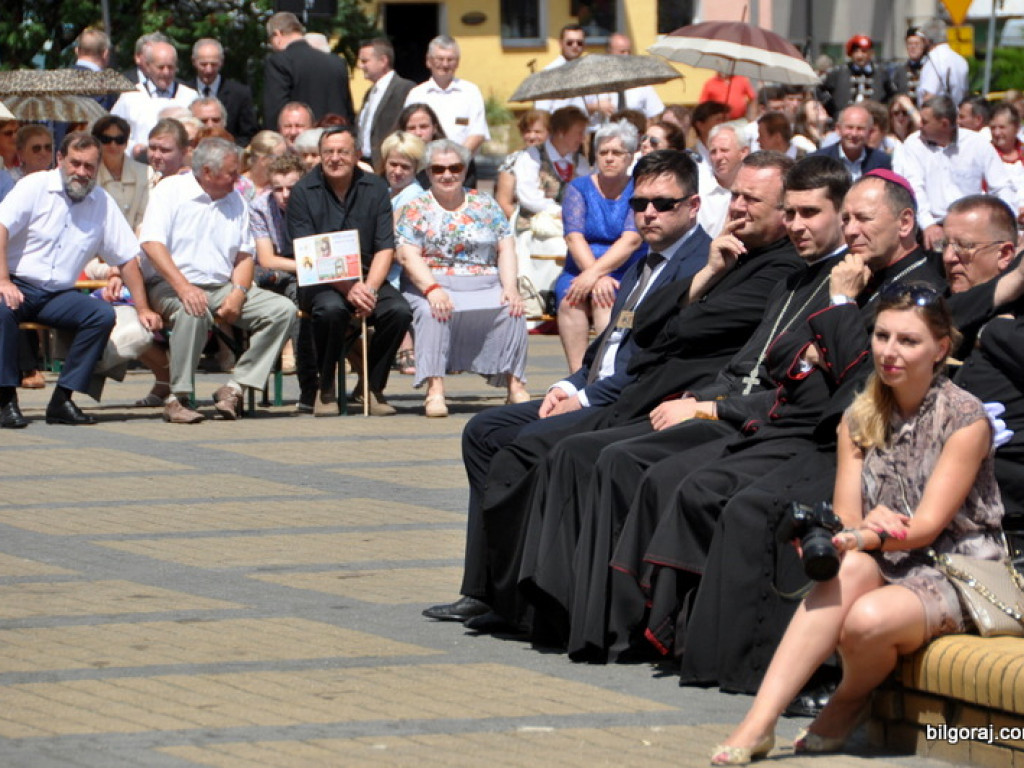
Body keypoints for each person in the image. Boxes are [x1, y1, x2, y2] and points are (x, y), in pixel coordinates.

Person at [711, 286, 1003, 765]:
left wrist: (861, 534)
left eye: (908, 341)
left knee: (863, 623)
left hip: (956, 563)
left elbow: (928, 527)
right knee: (843, 574)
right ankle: (758, 722)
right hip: (885, 553)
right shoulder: (858, 415)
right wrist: (856, 529)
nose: (890, 352)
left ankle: (847, 702)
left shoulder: (965, 419)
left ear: (941, 349)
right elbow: (848, 510)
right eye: (882, 336)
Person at [422, 149, 715, 625]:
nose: (649, 214)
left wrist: (584, 397)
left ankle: (519, 596)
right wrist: (567, 382)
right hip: (595, 386)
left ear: (694, 206)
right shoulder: (647, 258)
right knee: (483, 432)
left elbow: (655, 361)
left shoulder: (700, 266)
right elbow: (611, 341)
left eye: (663, 204)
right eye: (640, 204)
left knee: (524, 445)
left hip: (631, 402)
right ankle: (484, 584)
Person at [0, 132, 161, 429]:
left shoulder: (101, 201)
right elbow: (1, 227)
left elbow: (126, 258)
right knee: (1, 310)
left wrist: (143, 308)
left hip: (58, 294)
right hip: (16, 283)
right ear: (60, 159)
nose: (82, 172)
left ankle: (63, 399)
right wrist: (3, 281)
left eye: (89, 166)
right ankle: (4, 399)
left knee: (99, 314)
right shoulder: (33, 186)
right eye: (75, 163)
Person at [140, 138, 295, 424]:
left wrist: (238, 292)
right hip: (171, 285)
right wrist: (184, 287)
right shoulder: (171, 191)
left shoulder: (236, 200)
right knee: (193, 309)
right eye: (231, 172)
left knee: (281, 310)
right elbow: (152, 244)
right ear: (207, 172)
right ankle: (178, 397)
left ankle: (234, 388)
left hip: (223, 285)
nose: (238, 179)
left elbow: (245, 256)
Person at [285, 125, 412, 416]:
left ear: (355, 155)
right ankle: (325, 389)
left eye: (342, 152)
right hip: (321, 279)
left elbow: (384, 247)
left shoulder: (376, 187)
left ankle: (372, 387)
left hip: (369, 276)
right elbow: (308, 251)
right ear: (319, 156)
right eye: (328, 152)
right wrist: (349, 287)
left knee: (399, 311)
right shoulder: (303, 192)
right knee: (331, 311)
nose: (335, 158)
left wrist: (368, 288)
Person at [396, 139, 528, 417]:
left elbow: (505, 246)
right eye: (438, 169)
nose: (447, 175)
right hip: (433, 282)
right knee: (433, 311)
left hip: (484, 281)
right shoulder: (416, 207)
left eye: (455, 168)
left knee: (512, 308)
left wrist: (510, 287)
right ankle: (435, 391)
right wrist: (432, 289)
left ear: (465, 169)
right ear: (428, 172)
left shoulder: (484, 203)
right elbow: (408, 255)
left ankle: (515, 386)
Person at [556, 120, 644, 371]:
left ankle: (604, 372)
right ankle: (577, 374)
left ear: (629, 157)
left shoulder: (638, 189)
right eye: (603, 152)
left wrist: (595, 275)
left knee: (604, 300)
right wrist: (592, 276)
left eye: (617, 153)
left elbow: (632, 239)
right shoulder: (578, 187)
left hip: (624, 270)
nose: (609, 158)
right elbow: (574, 236)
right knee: (570, 302)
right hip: (579, 270)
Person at [898, 96, 1019, 251]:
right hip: (932, 228)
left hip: (974, 227)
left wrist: (1008, 223)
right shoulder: (914, 144)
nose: (919, 125)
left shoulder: (977, 144)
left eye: (925, 121)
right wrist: (928, 224)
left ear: (944, 124)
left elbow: (1001, 186)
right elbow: (914, 187)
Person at [379, 130, 426, 376]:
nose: (396, 171)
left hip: (403, 270)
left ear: (416, 168)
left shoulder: (413, 196)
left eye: (404, 167)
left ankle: (405, 345)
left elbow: (388, 234)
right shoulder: (388, 193)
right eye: (392, 164)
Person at [263, 11, 354, 128]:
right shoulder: (337, 63)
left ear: (277, 34)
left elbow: (275, 111)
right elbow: (348, 110)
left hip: (299, 140)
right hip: (334, 138)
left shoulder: (279, 62)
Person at [112, 41, 198, 161]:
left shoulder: (190, 96)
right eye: (161, 67)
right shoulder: (130, 96)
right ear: (148, 66)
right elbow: (113, 132)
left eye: (171, 67)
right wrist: (133, 148)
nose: (166, 72)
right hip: (140, 167)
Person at [404, 36, 489, 159]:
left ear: (458, 62)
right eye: (440, 59)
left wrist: (456, 160)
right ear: (429, 61)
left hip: (462, 166)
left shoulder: (470, 92)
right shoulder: (416, 94)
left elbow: (478, 133)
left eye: (450, 59)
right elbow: (408, 133)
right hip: (424, 166)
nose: (445, 64)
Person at [357, 38, 416, 168]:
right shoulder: (370, 93)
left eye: (365, 61)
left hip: (388, 164)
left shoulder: (404, 89)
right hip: (365, 163)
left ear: (383, 61)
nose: (360, 66)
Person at [190, 38, 258, 146]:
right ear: (194, 62)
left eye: (213, 64)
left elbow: (248, 134)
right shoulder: (184, 91)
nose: (209, 70)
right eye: (203, 64)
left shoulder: (239, 94)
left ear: (221, 62)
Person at [821, 35, 893, 119]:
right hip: (845, 120)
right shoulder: (839, 72)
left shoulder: (881, 73)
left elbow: (892, 95)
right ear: (850, 54)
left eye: (864, 51)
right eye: (856, 52)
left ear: (871, 53)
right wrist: (833, 109)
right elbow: (820, 90)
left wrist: (882, 110)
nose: (860, 56)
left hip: (874, 121)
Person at [494, 110, 549, 219]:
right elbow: (504, 203)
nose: (532, 136)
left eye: (538, 132)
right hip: (524, 223)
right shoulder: (512, 161)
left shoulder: (561, 160)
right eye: (527, 131)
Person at [812, 105, 891, 180]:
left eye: (860, 128)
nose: (854, 134)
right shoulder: (817, 160)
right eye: (849, 127)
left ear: (870, 132)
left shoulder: (882, 161)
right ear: (838, 129)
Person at [699, 124, 750, 237]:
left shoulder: (755, 189)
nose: (718, 157)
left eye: (724, 150)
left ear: (743, 152)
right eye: (713, 152)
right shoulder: (698, 191)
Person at [533, 24, 589, 117]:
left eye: (579, 43)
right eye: (569, 42)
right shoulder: (549, 73)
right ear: (560, 43)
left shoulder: (588, 70)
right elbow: (542, 111)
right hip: (559, 128)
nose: (575, 46)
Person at [917, 18, 969, 107]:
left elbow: (929, 96)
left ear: (927, 40)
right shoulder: (961, 60)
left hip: (937, 116)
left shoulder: (933, 61)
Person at [237, 130, 286, 202]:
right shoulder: (237, 186)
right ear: (264, 160)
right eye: (281, 158)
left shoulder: (283, 187)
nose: (286, 162)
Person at [990, 102, 1024, 195]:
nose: (997, 133)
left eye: (1002, 127)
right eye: (993, 128)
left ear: (1016, 128)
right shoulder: (986, 154)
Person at [893, 26, 929, 104]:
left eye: (917, 44)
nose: (913, 47)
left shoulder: (930, 69)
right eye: (909, 44)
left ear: (924, 46)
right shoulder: (900, 71)